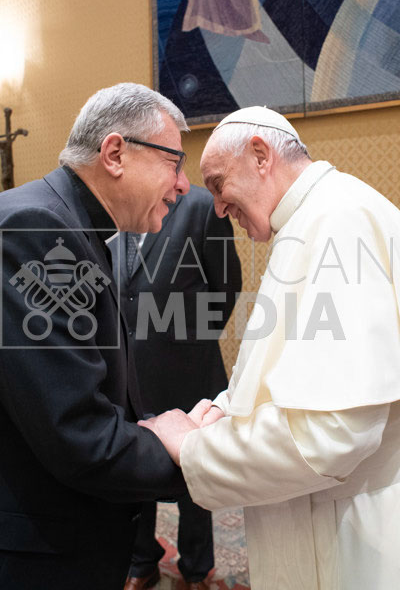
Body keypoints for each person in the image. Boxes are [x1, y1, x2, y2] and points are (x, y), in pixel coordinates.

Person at [139, 106, 400, 590]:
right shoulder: (309, 220)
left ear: (261, 155)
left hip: (349, 532)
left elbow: (332, 434)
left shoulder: (338, 222)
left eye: (218, 184)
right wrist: (222, 411)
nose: (218, 208)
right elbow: (283, 371)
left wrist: (193, 447)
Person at [0, 82, 207, 590]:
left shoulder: (69, 224)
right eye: (174, 163)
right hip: (40, 554)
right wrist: (188, 451)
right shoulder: (39, 229)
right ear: (115, 154)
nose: (183, 185)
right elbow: (77, 432)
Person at [110, 185, 242, 590]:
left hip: (188, 370)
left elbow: (226, 287)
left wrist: (188, 340)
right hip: (128, 372)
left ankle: (197, 569)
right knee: (133, 467)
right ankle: (141, 560)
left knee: (193, 473)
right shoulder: (117, 203)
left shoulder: (200, 208)